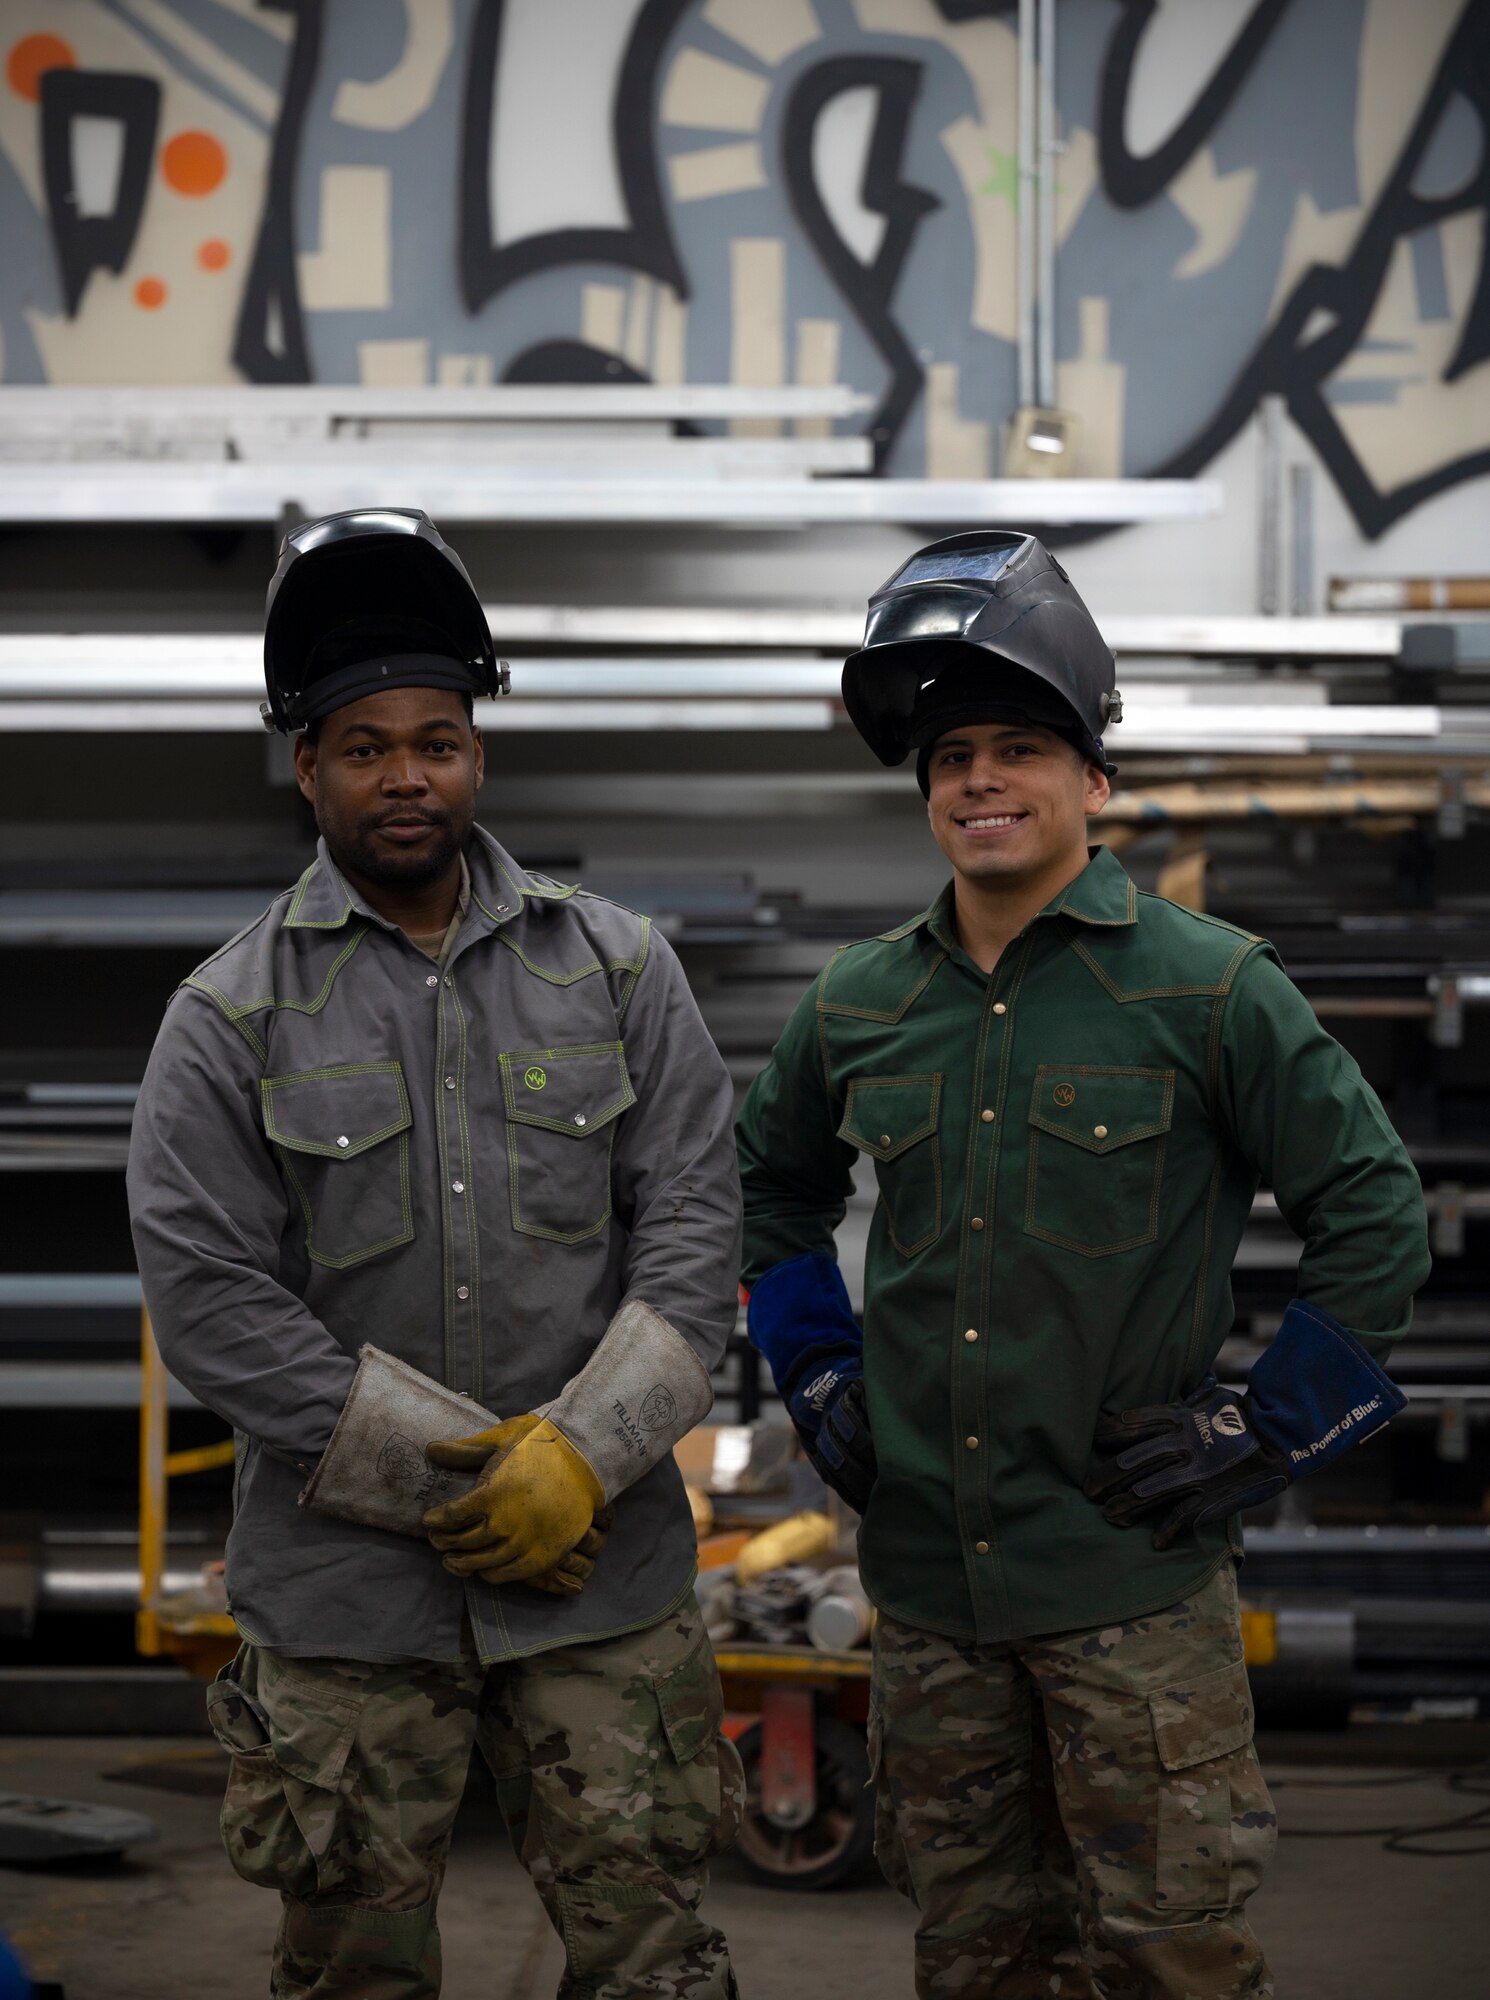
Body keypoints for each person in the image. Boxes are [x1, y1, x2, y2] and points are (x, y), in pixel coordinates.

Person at [736, 530, 1429, 1999]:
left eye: (1017, 748)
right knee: (974, 1956)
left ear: (1090, 781)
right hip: (926, 1596)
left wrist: (1270, 1423)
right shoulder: (858, 1003)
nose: (979, 780)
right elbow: (767, 1186)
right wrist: (811, 1361)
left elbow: (1372, 1205)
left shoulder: (1206, 985)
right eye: (950, 758)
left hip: (1129, 1591)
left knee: (1172, 1957)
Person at [128, 509, 744, 2000]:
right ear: (311, 770)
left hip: (602, 1587)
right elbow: (211, 1300)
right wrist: (472, 1483)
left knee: (655, 1961)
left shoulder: (615, 968)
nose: (407, 774)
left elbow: (694, 1226)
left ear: (476, 754)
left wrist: (583, 1459)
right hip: (347, 1609)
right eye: (365, 746)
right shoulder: (230, 1017)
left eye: (438, 740)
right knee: (351, 1971)